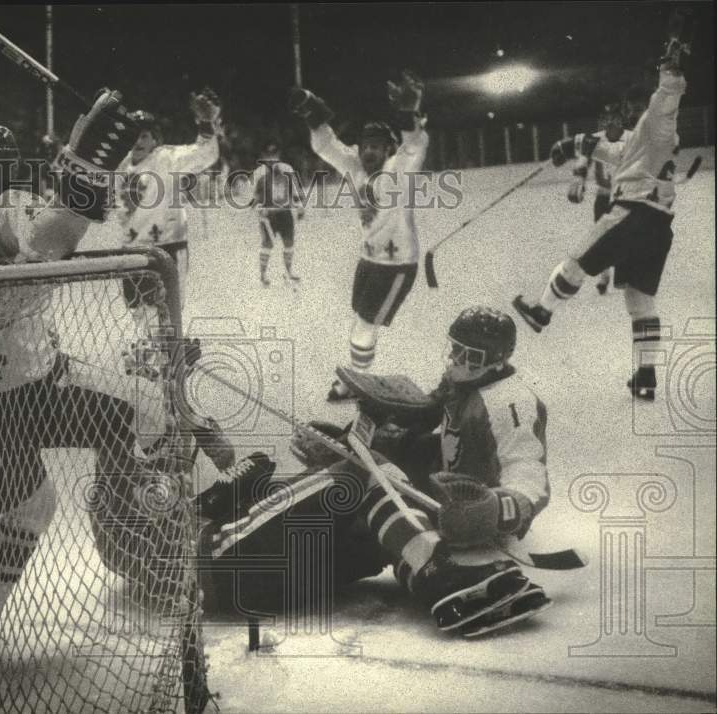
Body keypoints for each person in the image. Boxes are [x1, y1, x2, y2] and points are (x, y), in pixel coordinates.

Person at [0, 92, 229, 671]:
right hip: (35, 389)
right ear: (12, 169)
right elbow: (60, 230)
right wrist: (84, 169)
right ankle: (162, 542)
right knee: (147, 409)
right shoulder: (18, 213)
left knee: (30, 511)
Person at [194, 308, 552, 637]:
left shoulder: (509, 400)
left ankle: (449, 586)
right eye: (455, 349)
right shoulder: (468, 387)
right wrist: (351, 453)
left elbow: (527, 472)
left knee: (375, 520)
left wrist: (496, 508)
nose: (455, 359)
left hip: (263, 578)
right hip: (227, 561)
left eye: (468, 354)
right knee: (367, 477)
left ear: (497, 359)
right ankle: (437, 574)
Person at [513, 21, 690, 401]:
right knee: (639, 299)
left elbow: (666, 97)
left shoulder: (657, 120)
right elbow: (617, 152)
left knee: (576, 261)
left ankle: (542, 311)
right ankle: (646, 373)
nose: (630, 112)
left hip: (633, 213)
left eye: (635, 107)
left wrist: (671, 69)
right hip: (658, 226)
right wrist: (571, 145)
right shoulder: (646, 137)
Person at [289, 70, 430, 402]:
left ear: (389, 150)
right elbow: (327, 146)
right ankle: (359, 374)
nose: (368, 152)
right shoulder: (355, 168)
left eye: (377, 147)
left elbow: (415, 146)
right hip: (369, 258)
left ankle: (357, 382)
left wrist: (408, 113)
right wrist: (312, 111)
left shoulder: (398, 170)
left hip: (397, 264)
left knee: (365, 324)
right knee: (362, 321)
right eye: (365, 146)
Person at [116, 89, 221, 330]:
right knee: (139, 311)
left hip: (167, 246)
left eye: (144, 136)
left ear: (155, 140)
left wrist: (206, 124)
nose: (138, 141)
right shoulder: (121, 166)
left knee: (168, 312)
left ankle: (169, 350)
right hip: (132, 248)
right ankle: (153, 348)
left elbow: (204, 154)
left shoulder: (166, 158)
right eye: (133, 135)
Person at [565, 103, 631, 295]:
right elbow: (583, 160)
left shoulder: (631, 138)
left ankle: (623, 274)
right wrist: (579, 176)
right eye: (606, 118)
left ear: (620, 120)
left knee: (624, 236)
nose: (609, 122)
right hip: (603, 197)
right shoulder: (593, 139)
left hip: (624, 197)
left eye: (614, 118)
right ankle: (604, 277)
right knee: (601, 238)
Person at [251, 141, 304, 286]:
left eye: (274, 155)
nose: (271, 159)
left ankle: (288, 273)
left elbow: (294, 190)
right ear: (263, 157)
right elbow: (254, 197)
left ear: (278, 155)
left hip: (285, 213)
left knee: (289, 242)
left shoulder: (287, 169)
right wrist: (259, 208)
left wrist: (299, 207)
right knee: (267, 244)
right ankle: (263, 275)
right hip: (269, 215)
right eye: (268, 156)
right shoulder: (259, 173)